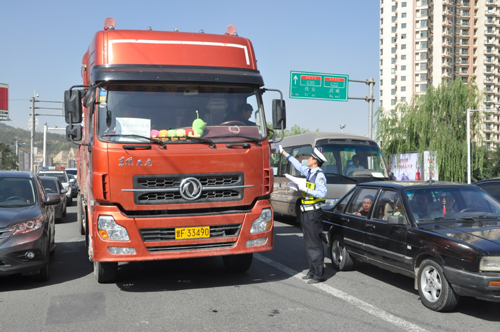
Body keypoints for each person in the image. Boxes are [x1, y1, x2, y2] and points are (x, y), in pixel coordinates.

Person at [276, 143, 328, 284]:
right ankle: (312, 271)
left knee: (314, 244)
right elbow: (297, 165)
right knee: (308, 242)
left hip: (313, 214)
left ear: (315, 161)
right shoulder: (310, 172)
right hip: (305, 213)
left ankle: (319, 274)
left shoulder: (319, 175)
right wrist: (284, 153)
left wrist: (305, 188)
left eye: (310, 157)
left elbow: (323, 193)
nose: (308, 159)